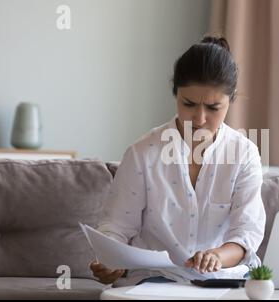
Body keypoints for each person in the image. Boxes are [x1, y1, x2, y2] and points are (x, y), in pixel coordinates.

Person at [90, 35, 266, 286]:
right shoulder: (143, 153)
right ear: (176, 94)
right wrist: (109, 259)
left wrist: (217, 255)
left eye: (214, 108)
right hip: (154, 281)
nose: (199, 118)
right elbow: (116, 227)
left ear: (231, 100)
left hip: (220, 281)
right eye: (189, 104)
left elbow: (246, 234)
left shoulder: (245, 155)